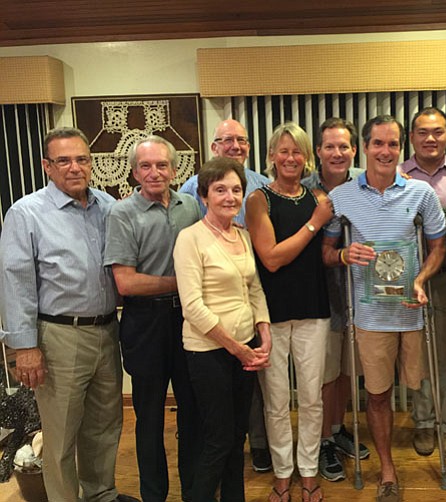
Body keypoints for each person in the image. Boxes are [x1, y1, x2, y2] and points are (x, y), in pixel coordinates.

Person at [0, 127, 137, 502]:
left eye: (81, 159)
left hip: (107, 330)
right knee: (60, 435)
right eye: (64, 160)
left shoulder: (108, 208)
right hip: (57, 337)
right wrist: (23, 349)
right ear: (47, 166)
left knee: (105, 425)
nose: (74, 167)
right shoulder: (26, 214)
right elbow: (16, 283)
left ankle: (100, 494)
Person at [322, 115, 446, 502]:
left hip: (410, 311)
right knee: (377, 395)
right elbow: (326, 253)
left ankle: (426, 439)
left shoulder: (421, 193)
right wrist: (344, 253)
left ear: (401, 147)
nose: (386, 151)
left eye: (392, 144)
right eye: (378, 143)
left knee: (417, 386)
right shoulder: (341, 197)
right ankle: (387, 471)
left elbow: (438, 246)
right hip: (369, 315)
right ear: (364, 148)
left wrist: (422, 279)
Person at [104, 136, 203, 502]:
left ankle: (195, 491)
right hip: (145, 324)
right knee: (148, 417)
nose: (154, 172)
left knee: (192, 412)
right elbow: (125, 282)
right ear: (134, 172)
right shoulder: (121, 213)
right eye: (145, 166)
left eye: (162, 165)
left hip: (189, 322)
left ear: (175, 170)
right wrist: (185, 282)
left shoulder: (190, 206)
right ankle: (154, 496)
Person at [173, 157, 272, 501]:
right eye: (220, 190)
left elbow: (254, 288)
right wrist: (236, 347)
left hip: (245, 348)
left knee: (238, 435)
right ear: (203, 196)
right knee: (217, 439)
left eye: (235, 190)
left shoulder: (242, 235)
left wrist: (264, 333)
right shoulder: (190, 239)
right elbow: (193, 307)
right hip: (209, 353)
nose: (229, 197)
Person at [245, 122, 333, 502]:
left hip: (314, 310)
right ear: (271, 157)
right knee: (277, 400)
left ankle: (309, 472)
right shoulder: (258, 200)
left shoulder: (318, 196)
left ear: (306, 156)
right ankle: (283, 474)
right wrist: (316, 224)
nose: (290, 158)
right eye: (283, 151)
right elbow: (272, 258)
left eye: (297, 151)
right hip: (272, 312)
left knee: (312, 398)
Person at [302, 118, 370, 482]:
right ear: (318, 151)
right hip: (319, 295)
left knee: (346, 370)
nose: (337, 153)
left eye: (343, 146)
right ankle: (323, 440)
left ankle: (338, 426)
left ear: (354, 150)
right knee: (324, 374)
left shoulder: (365, 183)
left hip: (360, 295)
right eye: (329, 146)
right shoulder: (303, 189)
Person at [400, 107, 446, 460]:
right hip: (405, 279)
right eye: (423, 132)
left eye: (437, 132)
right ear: (412, 138)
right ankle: (423, 422)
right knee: (417, 354)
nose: (430, 138)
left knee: (445, 354)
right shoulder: (398, 175)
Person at [180, 119, 270, 226]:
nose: (236, 146)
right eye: (228, 140)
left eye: (241, 140)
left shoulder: (263, 185)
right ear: (214, 148)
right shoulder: (194, 186)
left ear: (248, 147)